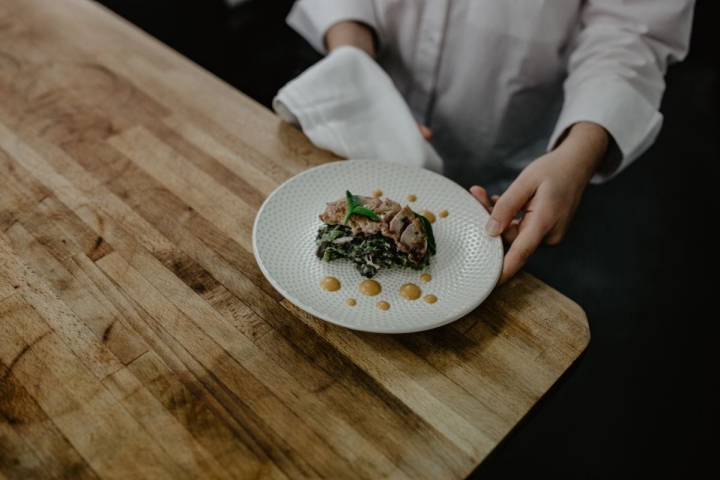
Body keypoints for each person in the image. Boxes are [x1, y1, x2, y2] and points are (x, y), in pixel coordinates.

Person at [285, 0, 695, 285]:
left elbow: (631, 29)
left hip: (516, 147)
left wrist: (578, 153)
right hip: (369, 110)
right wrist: (357, 68)